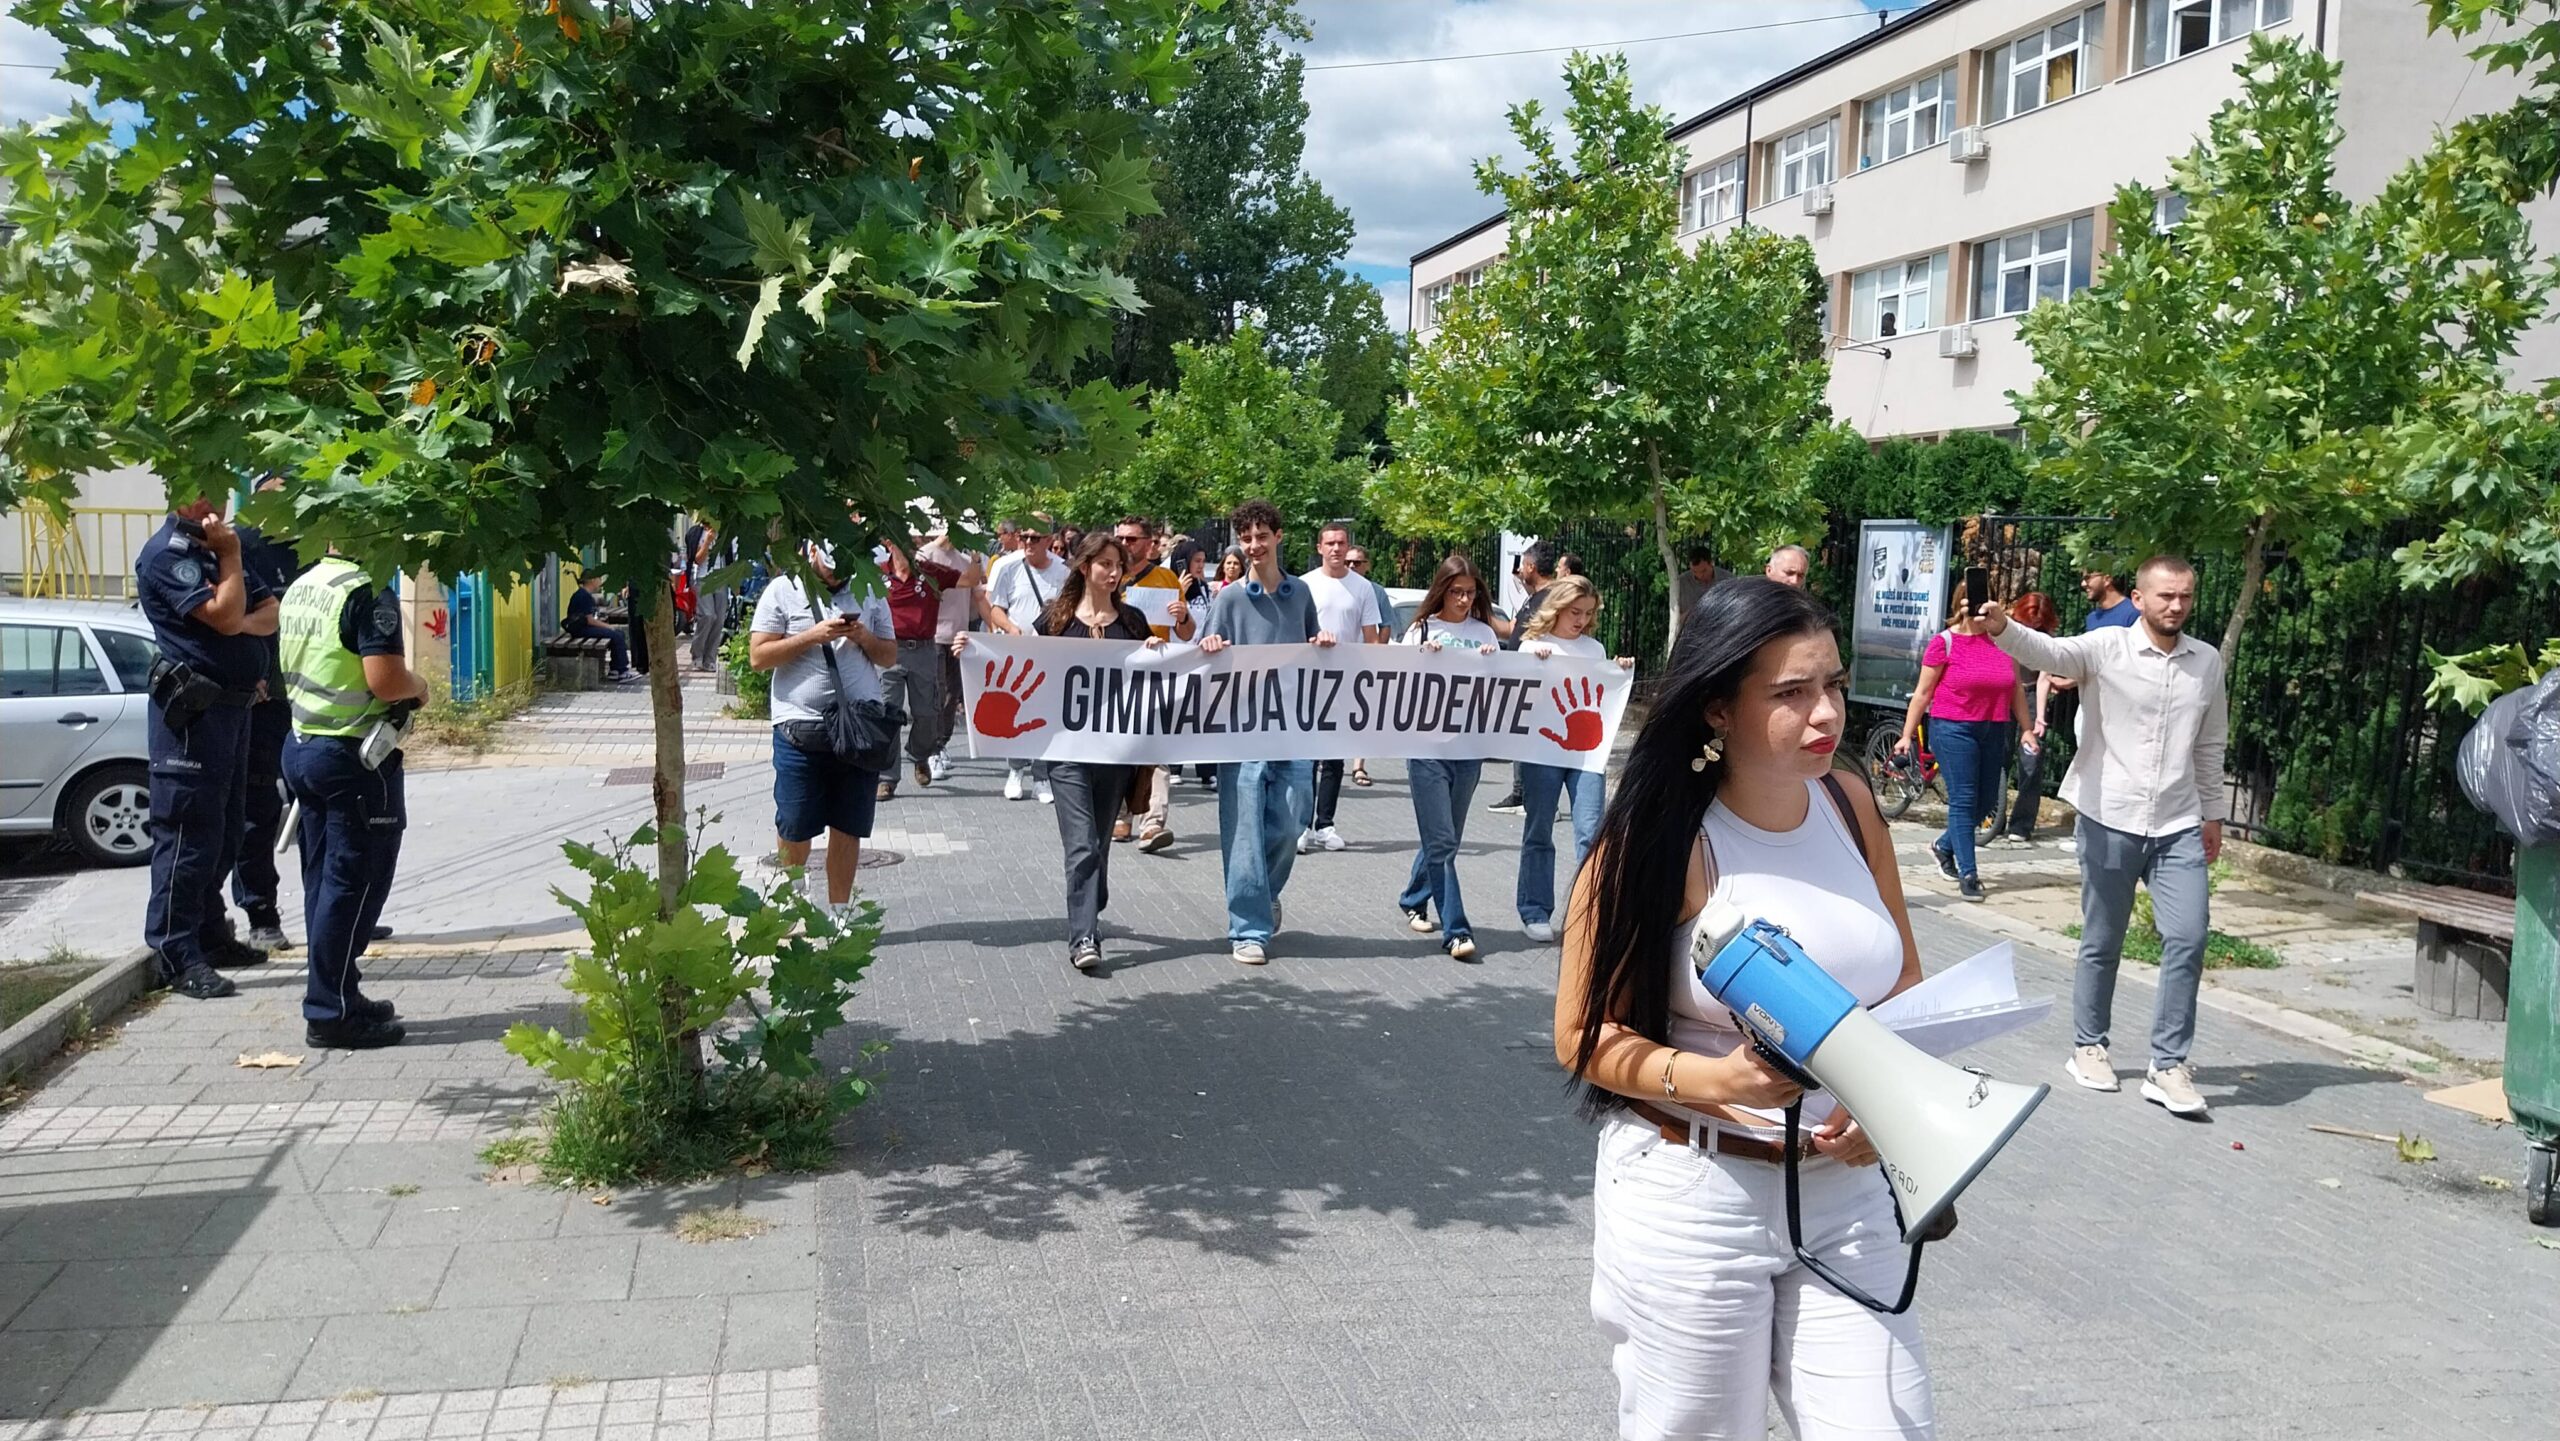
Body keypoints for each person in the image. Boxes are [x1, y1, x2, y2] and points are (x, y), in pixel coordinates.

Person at [1555, 578, 1932, 1440]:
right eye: (1791, 692)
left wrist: (1891, 1103)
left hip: (1851, 1193)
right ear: (1718, 707)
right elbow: (1582, 1033)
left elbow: (1904, 982)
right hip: (1695, 1196)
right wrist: (1712, 1075)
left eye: (1832, 684)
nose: (1825, 712)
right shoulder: (1655, 838)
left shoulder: (1851, 803)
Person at [1978, 556, 2228, 1118]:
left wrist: (2212, 813)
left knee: (2188, 937)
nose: (2176, 606)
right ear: (2138, 599)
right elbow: (2051, 653)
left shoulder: (2206, 662)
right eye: (2165, 596)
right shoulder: (2106, 647)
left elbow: (2211, 743)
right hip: (2109, 814)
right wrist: (2001, 626)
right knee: (2104, 939)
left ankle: (2169, 1065)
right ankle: (2089, 1046)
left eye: (2185, 596)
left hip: (2179, 822)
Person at [277, 550, 427, 1049]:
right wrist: (420, 687)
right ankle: (330, 1013)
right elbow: (384, 680)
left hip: (302, 745)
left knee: (323, 881)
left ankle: (340, 991)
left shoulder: (306, 584)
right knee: (355, 884)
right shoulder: (368, 588)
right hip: (352, 756)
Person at [136, 499, 283, 1000]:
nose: (215, 502)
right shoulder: (169, 554)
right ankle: (175, 953)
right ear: (178, 496)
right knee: (187, 836)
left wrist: (235, 611)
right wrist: (234, 571)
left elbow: (269, 612)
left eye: (219, 491)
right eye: (203, 492)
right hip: (191, 717)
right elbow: (224, 616)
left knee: (223, 832)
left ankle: (210, 934)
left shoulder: (215, 549)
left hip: (233, 711)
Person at [1195, 499, 1336, 966]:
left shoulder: (1301, 596)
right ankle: (1248, 929)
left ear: (1278, 536)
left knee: (1294, 817)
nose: (1254, 546)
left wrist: (1323, 643)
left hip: (1293, 728)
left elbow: (1314, 644)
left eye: (1261, 536)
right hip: (1241, 731)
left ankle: (1264, 892)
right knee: (1244, 832)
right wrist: (1210, 644)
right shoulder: (1230, 598)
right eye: (1246, 538)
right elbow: (1205, 654)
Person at [1034, 534, 1164, 971]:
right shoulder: (1055, 619)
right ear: (1084, 566)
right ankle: (1084, 937)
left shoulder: (1131, 621)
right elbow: (1025, 663)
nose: (1112, 572)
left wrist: (1152, 652)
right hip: (1066, 750)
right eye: (1104, 563)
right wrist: (971, 652)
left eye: (1118, 565)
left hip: (1114, 750)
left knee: (1099, 844)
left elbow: (1153, 674)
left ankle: (1090, 897)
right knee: (1082, 845)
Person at [750, 545, 898, 924]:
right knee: (795, 823)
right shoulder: (783, 590)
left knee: (849, 826)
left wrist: (864, 637)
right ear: (812, 552)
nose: (836, 576)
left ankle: (839, 912)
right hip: (799, 726)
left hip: (859, 728)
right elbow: (759, 657)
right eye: (831, 568)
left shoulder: (870, 588)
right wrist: (812, 636)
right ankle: (792, 898)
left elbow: (889, 656)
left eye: (842, 569)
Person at [1515, 575, 1633, 944]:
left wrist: (1620, 669)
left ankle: (1589, 912)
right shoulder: (1532, 646)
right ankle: (1534, 910)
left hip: (1586, 755)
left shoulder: (1594, 650)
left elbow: (1606, 691)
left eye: (1587, 613)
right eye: (1574, 612)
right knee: (1539, 830)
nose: (1580, 620)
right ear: (1557, 609)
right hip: (1542, 753)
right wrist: (1535, 665)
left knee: (1591, 832)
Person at [1393, 555, 1499, 962]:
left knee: (1446, 838)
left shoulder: (1482, 631)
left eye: (1470, 593)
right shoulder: (1420, 630)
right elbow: (1398, 681)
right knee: (1441, 840)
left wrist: (1498, 660)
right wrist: (1421, 656)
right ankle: (1456, 930)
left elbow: (1502, 684)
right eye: (1456, 592)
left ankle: (1414, 897)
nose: (1463, 600)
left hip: (1468, 748)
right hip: (1427, 750)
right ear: (1441, 590)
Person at [1892, 595, 2027, 902]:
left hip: (1994, 727)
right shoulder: (1945, 643)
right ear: (1960, 606)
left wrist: (2028, 729)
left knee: (1986, 802)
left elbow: (2016, 688)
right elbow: (1924, 692)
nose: (1983, 609)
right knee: (1964, 800)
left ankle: (1942, 846)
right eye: (1975, 602)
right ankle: (1969, 874)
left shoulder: (2004, 642)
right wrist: (1906, 735)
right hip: (1953, 728)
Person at [232, 489, 306, 952]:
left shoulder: (313, 548)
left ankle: (332, 912)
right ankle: (261, 914)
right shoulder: (240, 548)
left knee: (322, 810)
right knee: (257, 812)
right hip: (262, 703)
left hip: (314, 703)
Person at [1299, 522, 1384, 854]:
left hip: (1346, 683)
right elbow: (1296, 632)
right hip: (1309, 679)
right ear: (1320, 548)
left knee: (1334, 759)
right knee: (1306, 757)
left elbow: (1371, 638)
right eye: (1330, 543)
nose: (1336, 549)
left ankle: (1325, 823)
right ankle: (1302, 824)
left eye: (1342, 543)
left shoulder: (1362, 588)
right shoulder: (1305, 586)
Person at [1113, 515, 1194, 852]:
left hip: (1156, 673)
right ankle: (1120, 815)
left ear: (1150, 543)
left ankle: (1153, 822)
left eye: (1132, 539)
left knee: (1157, 750)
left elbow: (1186, 633)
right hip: (1116, 672)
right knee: (1118, 747)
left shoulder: (1166, 579)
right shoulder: (1109, 574)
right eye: (1120, 538)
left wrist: (1183, 616)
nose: (1125, 545)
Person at [981, 521, 1068, 803]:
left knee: (1045, 713)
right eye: (1024, 536)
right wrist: (1010, 629)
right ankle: (1015, 770)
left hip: (1049, 651)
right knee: (1015, 708)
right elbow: (996, 608)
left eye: (1035, 537)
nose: (1028, 542)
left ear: (1049, 540)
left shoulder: (1063, 572)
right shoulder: (1008, 566)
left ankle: (1042, 776)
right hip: (1016, 650)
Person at [877, 534, 960, 801]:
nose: (914, 544)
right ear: (891, 543)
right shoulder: (877, 573)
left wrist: (959, 541)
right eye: (907, 538)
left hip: (923, 649)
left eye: (918, 539)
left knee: (927, 713)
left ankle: (920, 754)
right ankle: (887, 778)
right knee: (888, 715)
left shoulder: (930, 573)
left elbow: (971, 578)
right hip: (890, 649)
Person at [1487, 541, 1562, 814]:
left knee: (1534, 740)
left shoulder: (1551, 598)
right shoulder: (1534, 597)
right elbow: (1510, 630)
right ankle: (1522, 793)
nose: (1519, 570)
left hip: (1539, 681)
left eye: (1522, 565)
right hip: (1523, 680)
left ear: (1530, 566)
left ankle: (1540, 800)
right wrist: (1481, 610)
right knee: (1521, 737)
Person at [916, 523, 983, 782]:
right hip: (932, 635)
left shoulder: (966, 561)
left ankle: (940, 744)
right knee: (937, 693)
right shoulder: (925, 556)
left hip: (959, 635)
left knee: (953, 694)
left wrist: (976, 557)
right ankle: (931, 749)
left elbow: (976, 590)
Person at [1993, 592, 2061, 846]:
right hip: (2002, 692)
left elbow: (2044, 677)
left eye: (2038, 623)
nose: (2032, 627)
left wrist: (2040, 718)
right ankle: (1991, 817)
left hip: (2030, 695)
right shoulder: (2003, 625)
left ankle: (2022, 823)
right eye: (2028, 622)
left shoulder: (2047, 639)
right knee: (1998, 755)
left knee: (2031, 761)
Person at [1345, 545, 1399, 789]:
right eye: (1348, 562)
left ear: (1367, 565)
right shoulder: (1336, 586)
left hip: (1364, 661)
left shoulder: (1376, 592)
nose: (1352, 567)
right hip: (1337, 661)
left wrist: (1378, 652)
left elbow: (1386, 624)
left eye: (1357, 562)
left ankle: (1358, 764)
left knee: (1361, 714)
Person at [563, 571, 635, 681]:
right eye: (599, 579)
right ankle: (622, 670)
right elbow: (590, 620)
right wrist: (608, 626)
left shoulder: (584, 594)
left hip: (582, 627)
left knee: (618, 634)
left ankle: (615, 669)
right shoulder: (583, 596)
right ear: (592, 580)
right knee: (616, 635)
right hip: (581, 629)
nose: (600, 582)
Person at [685, 519, 731, 673]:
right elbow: (697, 559)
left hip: (721, 578)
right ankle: (697, 654)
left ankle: (710, 659)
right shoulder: (696, 533)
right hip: (703, 578)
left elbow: (729, 557)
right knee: (707, 615)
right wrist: (708, 542)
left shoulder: (724, 532)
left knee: (719, 619)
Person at [1671, 545, 1732, 622]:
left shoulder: (1728, 579)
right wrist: (1691, 613)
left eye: (1703, 571)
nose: (1699, 575)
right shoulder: (1681, 583)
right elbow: (1674, 621)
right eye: (1694, 571)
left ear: (1711, 563)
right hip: (1691, 630)